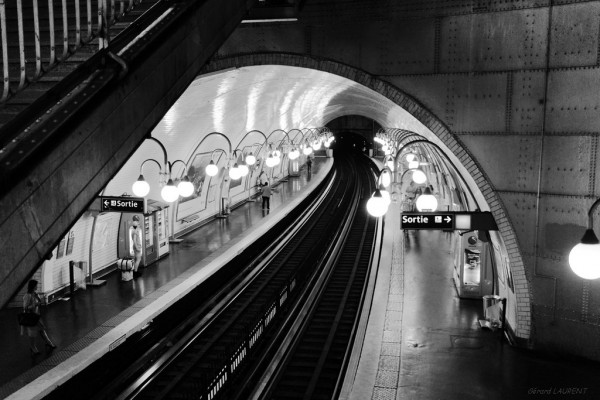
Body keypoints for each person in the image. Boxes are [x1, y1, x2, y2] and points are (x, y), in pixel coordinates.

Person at [22, 279, 56, 354]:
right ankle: (33, 347)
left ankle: (49, 342)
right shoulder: (27, 296)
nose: (37, 286)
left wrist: (38, 299)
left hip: (37, 316)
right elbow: (25, 307)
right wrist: (34, 305)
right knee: (32, 333)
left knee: (42, 329)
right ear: (33, 286)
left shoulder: (35, 294)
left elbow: (39, 303)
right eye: (36, 285)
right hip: (31, 317)